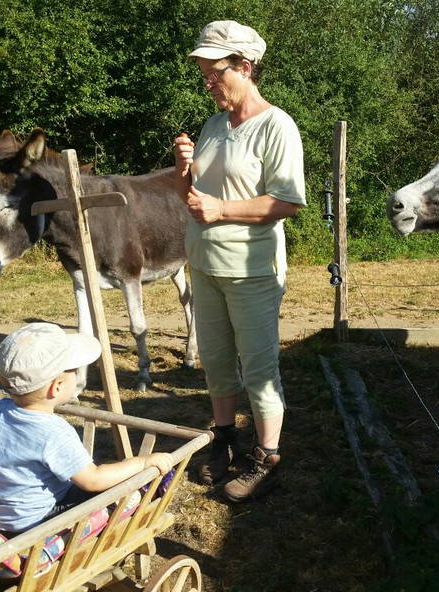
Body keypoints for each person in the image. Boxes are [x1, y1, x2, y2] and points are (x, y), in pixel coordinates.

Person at [173, 20, 306, 502]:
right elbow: (192, 198)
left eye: (215, 73)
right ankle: (225, 438)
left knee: (258, 365)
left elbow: (287, 202)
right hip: (204, 263)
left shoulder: (276, 125)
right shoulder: (212, 126)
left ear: (245, 67)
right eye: (204, 74)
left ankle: (267, 455)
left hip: (251, 269)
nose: (208, 82)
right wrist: (183, 170)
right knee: (215, 360)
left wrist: (222, 209)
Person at [0, 322, 174, 536]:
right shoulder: (55, 431)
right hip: (40, 522)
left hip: (3, 518)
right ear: (57, 387)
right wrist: (140, 462)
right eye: (75, 371)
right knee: (115, 489)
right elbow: (92, 480)